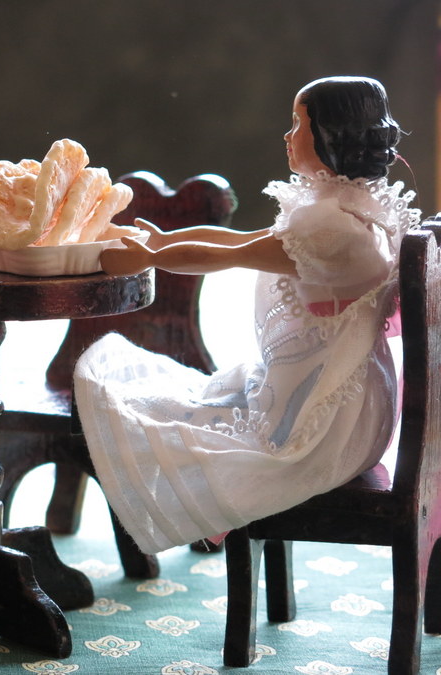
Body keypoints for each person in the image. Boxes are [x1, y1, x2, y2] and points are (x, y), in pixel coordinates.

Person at [74, 76, 420, 555]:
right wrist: (164, 242)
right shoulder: (354, 204)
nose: (287, 136)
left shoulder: (329, 227)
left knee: (140, 407)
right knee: (186, 400)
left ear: (331, 135)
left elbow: (229, 255)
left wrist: (152, 257)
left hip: (330, 420)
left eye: (297, 124)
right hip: (355, 397)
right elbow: (241, 240)